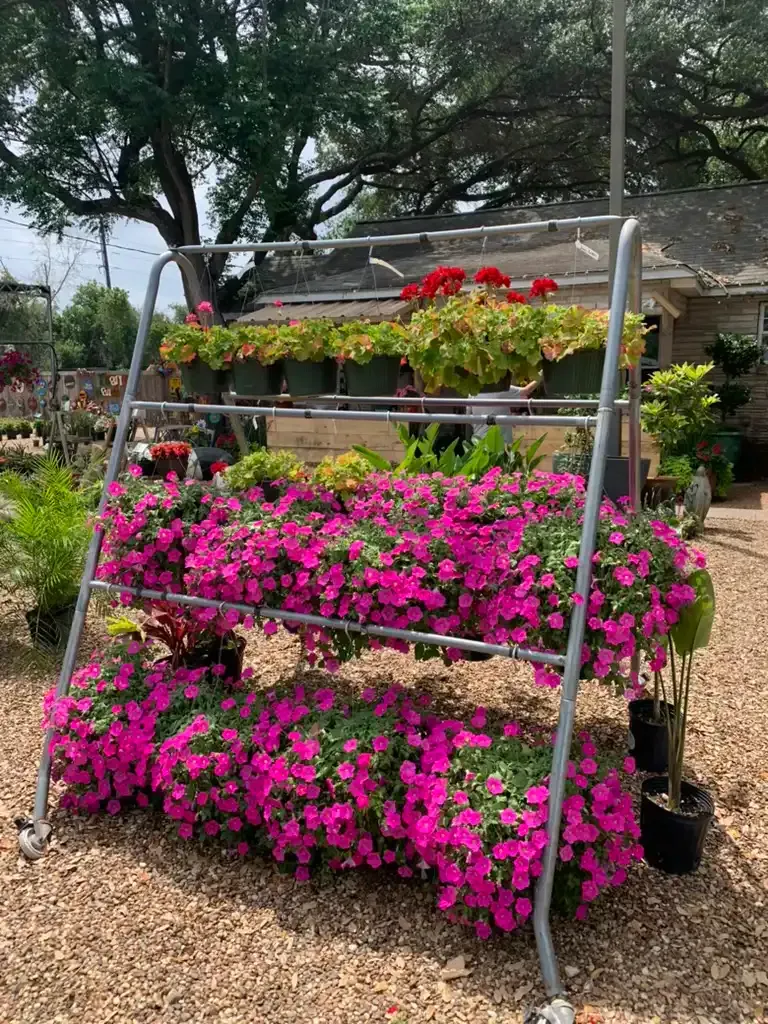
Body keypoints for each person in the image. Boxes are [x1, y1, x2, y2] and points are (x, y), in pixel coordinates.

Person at [469, 376, 541, 444]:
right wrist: (541, 374)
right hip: (501, 441)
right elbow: (526, 390)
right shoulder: (501, 390)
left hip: (479, 440)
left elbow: (468, 417)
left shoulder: (472, 393)